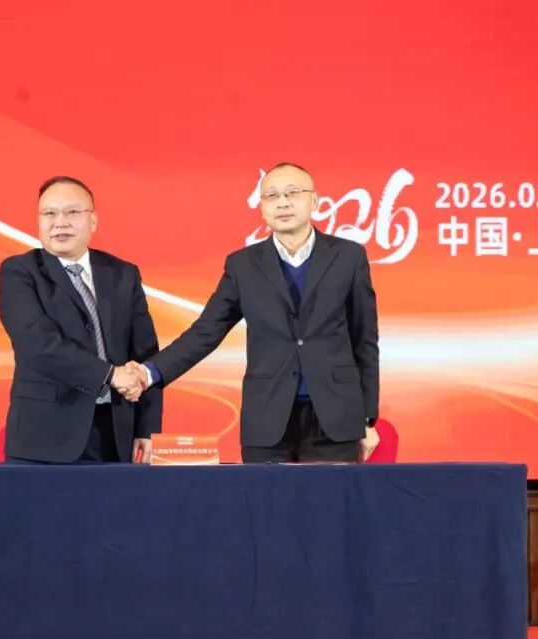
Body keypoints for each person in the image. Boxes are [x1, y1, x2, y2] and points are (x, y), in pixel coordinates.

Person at [128, 162, 379, 463]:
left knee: (329, 495)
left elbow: (365, 340)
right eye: (272, 195)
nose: (282, 202)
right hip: (268, 419)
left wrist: (366, 418)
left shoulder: (349, 256)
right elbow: (205, 333)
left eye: (292, 193)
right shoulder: (243, 265)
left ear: (314, 201)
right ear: (261, 207)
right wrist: (149, 372)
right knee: (265, 495)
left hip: (336, 419)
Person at [0, 176, 161, 463]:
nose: (60, 223)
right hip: (44, 437)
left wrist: (147, 429)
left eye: (72, 212)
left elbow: (146, 353)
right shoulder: (19, 272)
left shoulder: (123, 274)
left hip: (116, 435)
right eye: (49, 213)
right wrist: (110, 375)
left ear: (93, 221)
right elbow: (38, 345)